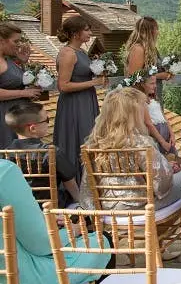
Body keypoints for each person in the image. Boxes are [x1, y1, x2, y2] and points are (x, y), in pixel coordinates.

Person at [0, 159, 112, 284]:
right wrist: (75, 230)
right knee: (102, 241)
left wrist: (40, 219)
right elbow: (43, 244)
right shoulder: (4, 171)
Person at [78, 87, 181, 211]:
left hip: (106, 207)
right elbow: (161, 185)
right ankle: (161, 227)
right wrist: (169, 170)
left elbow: (87, 189)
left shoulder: (95, 144)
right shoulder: (141, 142)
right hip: (140, 206)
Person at [53, 17, 106, 193]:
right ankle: (76, 192)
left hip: (86, 101)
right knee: (78, 141)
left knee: (89, 139)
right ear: (76, 33)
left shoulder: (81, 52)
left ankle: (90, 187)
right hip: (74, 106)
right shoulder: (68, 53)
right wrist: (94, 82)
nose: (90, 33)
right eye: (87, 30)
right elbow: (63, 85)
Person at [5, 102, 80, 207]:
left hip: (19, 210)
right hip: (52, 210)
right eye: (46, 120)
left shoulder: (5, 155)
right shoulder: (51, 153)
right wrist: (81, 204)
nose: (48, 123)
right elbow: (71, 185)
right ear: (33, 128)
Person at [0, 23, 40, 148]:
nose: (18, 44)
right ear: (2, 41)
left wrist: (23, 62)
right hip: (5, 116)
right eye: (15, 41)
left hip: (18, 115)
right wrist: (24, 93)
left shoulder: (8, 60)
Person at [124, 16, 174, 102]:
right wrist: (161, 75)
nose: (158, 32)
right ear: (149, 31)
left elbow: (147, 72)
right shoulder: (138, 49)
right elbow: (132, 77)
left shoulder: (151, 49)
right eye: (156, 29)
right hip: (142, 97)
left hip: (154, 94)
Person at [134, 74, 177, 155]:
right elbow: (148, 123)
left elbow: (163, 116)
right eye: (152, 83)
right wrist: (162, 142)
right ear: (143, 85)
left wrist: (172, 134)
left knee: (172, 158)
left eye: (155, 83)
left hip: (165, 131)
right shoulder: (141, 101)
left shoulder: (153, 98)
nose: (155, 86)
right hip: (156, 133)